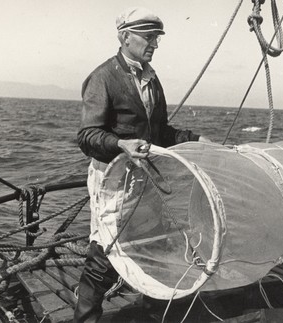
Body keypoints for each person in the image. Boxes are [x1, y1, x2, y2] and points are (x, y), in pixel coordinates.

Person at [74, 7, 209, 322]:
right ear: (125, 37)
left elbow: (159, 132)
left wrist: (197, 139)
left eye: (157, 38)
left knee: (153, 241)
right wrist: (121, 144)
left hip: (144, 178)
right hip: (113, 180)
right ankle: (86, 318)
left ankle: (154, 310)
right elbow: (87, 136)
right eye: (149, 37)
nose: (155, 44)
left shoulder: (151, 77)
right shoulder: (103, 77)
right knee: (105, 252)